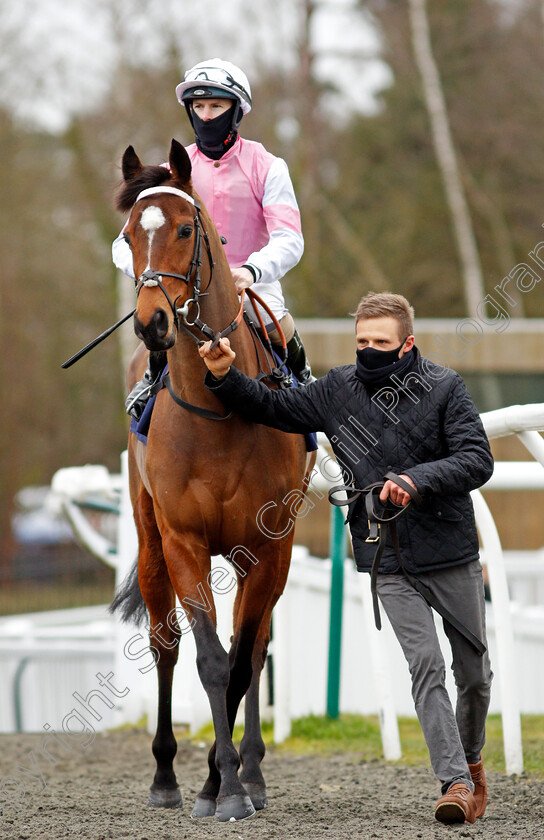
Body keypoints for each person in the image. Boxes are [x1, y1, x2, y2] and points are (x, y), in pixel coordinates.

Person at [198, 291, 494, 826]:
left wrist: (415, 481)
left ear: (408, 344)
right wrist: (223, 376)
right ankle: (452, 782)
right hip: (385, 557)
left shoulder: (447, 387)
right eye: (362, 342)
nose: (370, 351)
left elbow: (476, 458)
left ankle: (472, 768)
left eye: (381, 343)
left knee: (474, 675)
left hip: (450, 553)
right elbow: (274, 408)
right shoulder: (336, 389)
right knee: (424, 664)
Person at [113, 58, 314, 420]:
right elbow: (122, 244)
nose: (206, 115)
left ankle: (304, 388)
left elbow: (289, 238)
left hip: (250, 283)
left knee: (277, 323)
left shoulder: (268, 166)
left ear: (236, 111)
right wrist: (151, 273)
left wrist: (251, 271)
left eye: (216, 106)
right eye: (199, 106)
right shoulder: (168, 173)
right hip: (182, 284)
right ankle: (151, 379)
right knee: (159, 324)